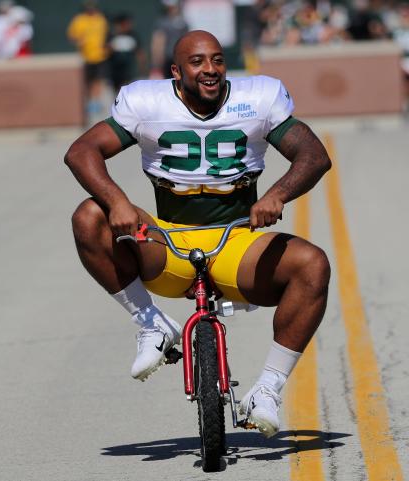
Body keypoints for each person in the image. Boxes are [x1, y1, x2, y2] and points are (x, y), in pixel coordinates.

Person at [65, 31, 332, 438]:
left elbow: (314, 155)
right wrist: (117, 200)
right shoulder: (146, 101)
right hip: (166, 241)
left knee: (313, 264)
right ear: (176, 70)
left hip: (237, 241)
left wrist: (277, 195)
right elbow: (81, 151)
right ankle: (152, 323)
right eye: (197, 62)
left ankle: (267, 389)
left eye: (218, 60)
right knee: (89, 215)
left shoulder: (259, 97)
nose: (210, 69)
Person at [67, 0, 109, 115]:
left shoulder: (101, 19)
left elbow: (106, 35)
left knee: (98, 80)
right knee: (86, 81)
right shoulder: (79, 20)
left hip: (100, 56)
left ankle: (96, 102)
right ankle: (89, 102)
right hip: (85, 57)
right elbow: (72, 36)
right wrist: (78, 41)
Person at [150, 0, 188, 80]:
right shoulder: (162, 22)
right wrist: (157, 61)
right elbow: (158, 42)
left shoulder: (183, 22)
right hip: (168, 59)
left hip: (180, 57)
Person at [107, 13, 146, 92]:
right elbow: (106, 51)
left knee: (127, 89)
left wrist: (142, 68)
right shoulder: (112, 36)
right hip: (115, 71)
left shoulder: (133, 36)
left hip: (129, 71)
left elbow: (140, 53)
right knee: (116, 91)